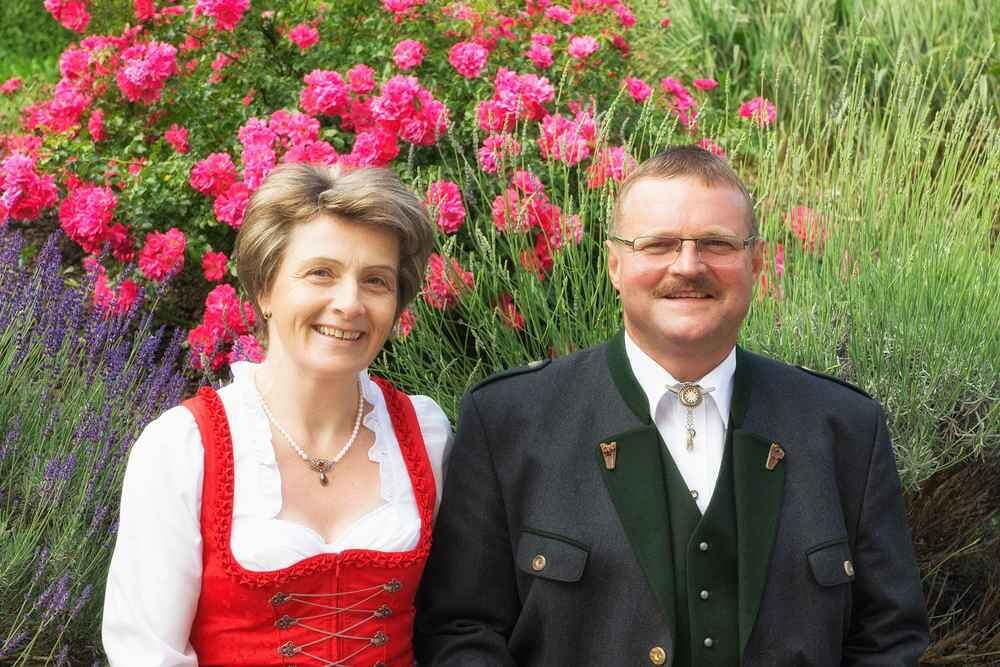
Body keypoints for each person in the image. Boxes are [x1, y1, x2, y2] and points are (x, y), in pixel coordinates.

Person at [415, 145, 929, 666]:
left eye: (716, 243)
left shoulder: (845, 427)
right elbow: (463, 629)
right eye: (657, 244)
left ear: (755, 263)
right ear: (615, 265)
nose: (688, 266)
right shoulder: (509, 421)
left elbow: (887, 638)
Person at [103, 163, 451, 666]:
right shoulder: (182, 450)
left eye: (376, 281)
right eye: (321, 273)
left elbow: (454, 621)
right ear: (265, 289)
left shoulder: (425, 435)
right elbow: (146, 652)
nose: (349, 303)